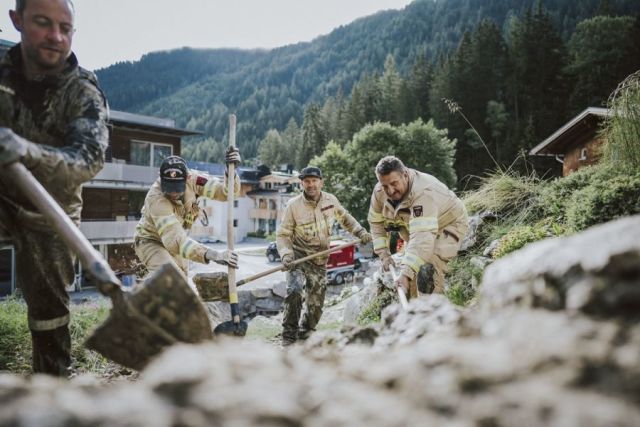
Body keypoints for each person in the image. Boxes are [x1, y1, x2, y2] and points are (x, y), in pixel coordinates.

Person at [0, 0, 109, 376]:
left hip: (51, 211)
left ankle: (52, 391)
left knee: (49, 316)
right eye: (43, 23)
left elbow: (88, 159)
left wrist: (26, 152)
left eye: (65, 27)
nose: (56, 36)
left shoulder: (81, 89)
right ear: (17, 20)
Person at [276, 166, 372, 346]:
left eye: (314, 181)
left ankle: (306, 332)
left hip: (320, 259)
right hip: (298, 256)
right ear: (301, 183)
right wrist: (286, 255)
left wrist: (360, 232)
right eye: (307, 181)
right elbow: (283, 235)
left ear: (321, 182)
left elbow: (345, 218)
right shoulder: (293, 206)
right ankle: (289, 335)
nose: (311, 185)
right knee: (294, 291)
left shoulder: (331, 200)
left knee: (316, 305)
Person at [368, 156, 468, 299]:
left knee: (427, 268)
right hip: (416, 230)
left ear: (405, 175)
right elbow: (376, 223)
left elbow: (423, 239)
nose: (390, 191)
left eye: (394, 183)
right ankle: (412, 314)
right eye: (385, 186)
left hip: (448, 224)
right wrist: (384, 254)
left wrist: (406, 272)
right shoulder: (379, 192)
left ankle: (430, 312)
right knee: (408, 276)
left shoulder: (424, 192)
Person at [134, 154, 240, 279]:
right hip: (151, 242)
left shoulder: (195, 180)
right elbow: (175, 241)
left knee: (184, 280)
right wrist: (212, 254)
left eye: (178, 189)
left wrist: (231, 172)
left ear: (187, 178)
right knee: (171, 278)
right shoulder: (156, 199)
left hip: (176, 242)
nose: (173, 193)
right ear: (160, 178)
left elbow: (227, 193)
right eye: (169, 188)